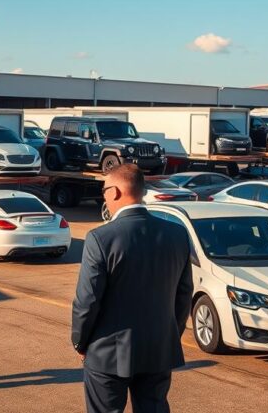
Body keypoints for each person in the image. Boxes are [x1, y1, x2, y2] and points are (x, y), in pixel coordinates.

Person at [71, 164, 194, 413]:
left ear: (115, 192)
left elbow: (87, 301)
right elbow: (184, 295)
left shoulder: (101, 238)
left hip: (107, 353)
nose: (103, 195)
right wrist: (169, 336)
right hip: (158, 350)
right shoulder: (177, 234)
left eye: (104, 189)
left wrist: (80, 343)